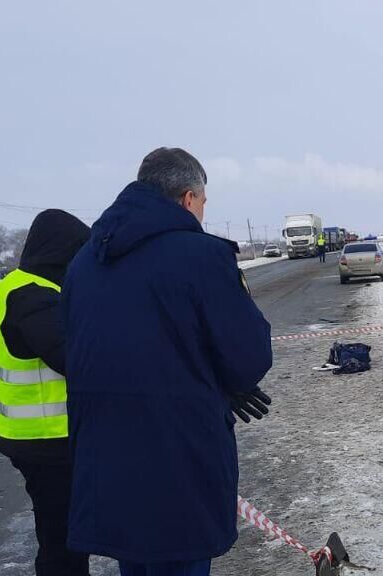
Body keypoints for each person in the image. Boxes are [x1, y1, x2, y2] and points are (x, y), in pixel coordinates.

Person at [62, 148, 274, 576]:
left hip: (108, 466)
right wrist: (224, 382)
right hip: (179, 461)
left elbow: (85, 350)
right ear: (187, 198)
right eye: (203, 202)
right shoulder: (201, 256)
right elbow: (249, 358)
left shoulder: (84, 263)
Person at [0, 209, 91, 575]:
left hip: (38, 436)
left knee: (66, 531)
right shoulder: (34, 295)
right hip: (47, 440)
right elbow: (73, 359)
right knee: (62, 539)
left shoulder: (21, 285)